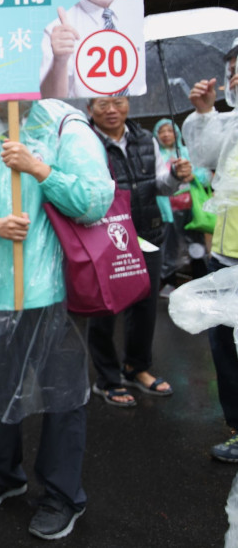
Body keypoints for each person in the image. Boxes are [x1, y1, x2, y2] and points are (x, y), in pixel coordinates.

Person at [0, 99, 114, 540]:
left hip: (51, 292)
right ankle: (2, 473)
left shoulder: (62, 126)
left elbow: (94, 201)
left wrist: (38, 168)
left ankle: (62, 494)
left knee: (62, 396)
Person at [86, 96, 190, 406]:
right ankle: (107, 378)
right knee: (104, 308)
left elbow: (161, 186)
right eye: (103, 103)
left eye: (118, 101)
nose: (112, 110)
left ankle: (136, 367)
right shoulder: (82, 141)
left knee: (145, 305)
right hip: (104, 237)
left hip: (147, 233)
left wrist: (175, 176)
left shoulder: (146, 138)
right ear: (89, 108)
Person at [181, 38, 238, 461]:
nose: (234, 76)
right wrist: (205, 114)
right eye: (233, 68)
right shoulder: (233, 124)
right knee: (226, 350)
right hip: (226, 257)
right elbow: (204, 155)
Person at [152, 118, 211, 295]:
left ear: (176, 133)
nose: (166, 134)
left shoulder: (187, 152)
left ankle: (201, 280)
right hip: (168, 210)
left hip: (191, 208)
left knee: (196, 244)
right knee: (169, 247)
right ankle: (169, 281)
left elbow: (206, 174)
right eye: (162, 131)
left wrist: (193, 176)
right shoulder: (156, 156)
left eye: (170, 130)